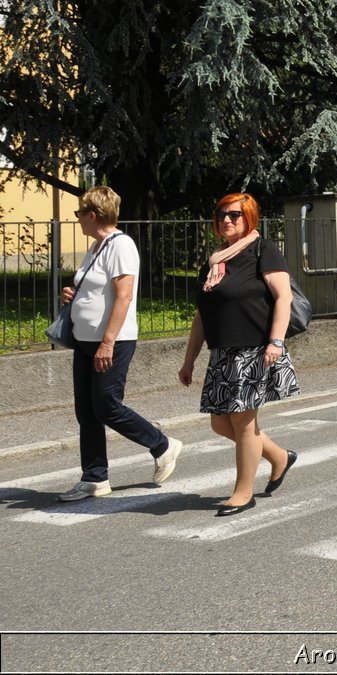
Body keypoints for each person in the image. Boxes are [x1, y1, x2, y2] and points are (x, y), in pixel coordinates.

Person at [56, 185, 183, 502]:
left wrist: (107, 343)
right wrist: (73, 295)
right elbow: (96, 289)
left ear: (93, 215)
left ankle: (162, 444)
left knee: (107, 406)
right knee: (86, 412)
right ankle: (94, 478)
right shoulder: (95, 247)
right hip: (85, 340)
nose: (78, 220)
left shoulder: (121, 246)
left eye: (80, 214)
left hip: (112, 340)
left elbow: (124, 297)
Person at [178, 193, 300, 516]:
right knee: (220, 424)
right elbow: (202, 315)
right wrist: (189, 360)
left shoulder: (263, 250)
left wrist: (276, 341)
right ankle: (278, 457)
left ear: (249, 217)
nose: (226, 220)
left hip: (255, 349)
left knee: (244, 423)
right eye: (221, 215)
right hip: (222, 355)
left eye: (234, 215)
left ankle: (243, 492)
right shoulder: (215, 261)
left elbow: (283, 297)